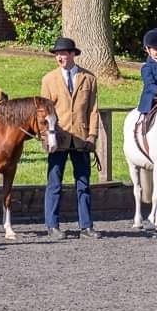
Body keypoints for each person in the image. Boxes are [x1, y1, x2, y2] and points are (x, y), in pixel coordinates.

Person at [40, 37, 100, 240]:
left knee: (83, 183)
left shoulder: (89, 78)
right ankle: (52, 225)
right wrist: (48, 137)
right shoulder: (49, 80)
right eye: (57, 54)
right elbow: (44, 113)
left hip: (81, 138)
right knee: (54, 182)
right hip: (59, 137)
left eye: (63, 53)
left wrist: (92, 135)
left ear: (73, 54)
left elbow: (93, 109)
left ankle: (86, 226)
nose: (60, 57)